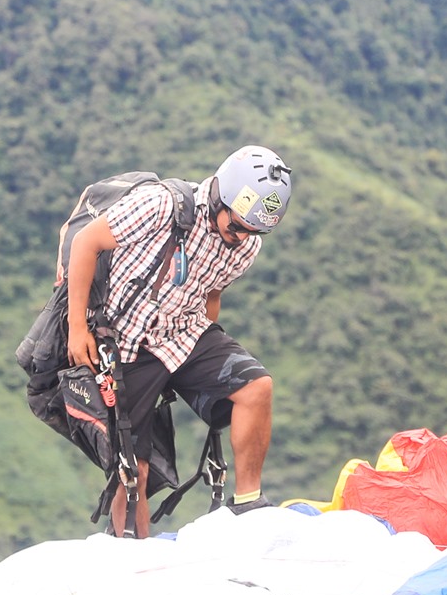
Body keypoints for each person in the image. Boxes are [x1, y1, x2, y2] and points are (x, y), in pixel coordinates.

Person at [64, 147, 290, 539]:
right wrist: (77, 329)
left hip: (183, 331)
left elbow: (212, 293)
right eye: (236, 227)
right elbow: (87, 242)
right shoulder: (160, 206)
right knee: (134, 467)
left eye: (253, 232)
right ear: (219, 197)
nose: (241, 239)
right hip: (126, 341)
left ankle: (248, 502)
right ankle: (131, 551)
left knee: (256, 388)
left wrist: (203, 367)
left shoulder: (246, 244)